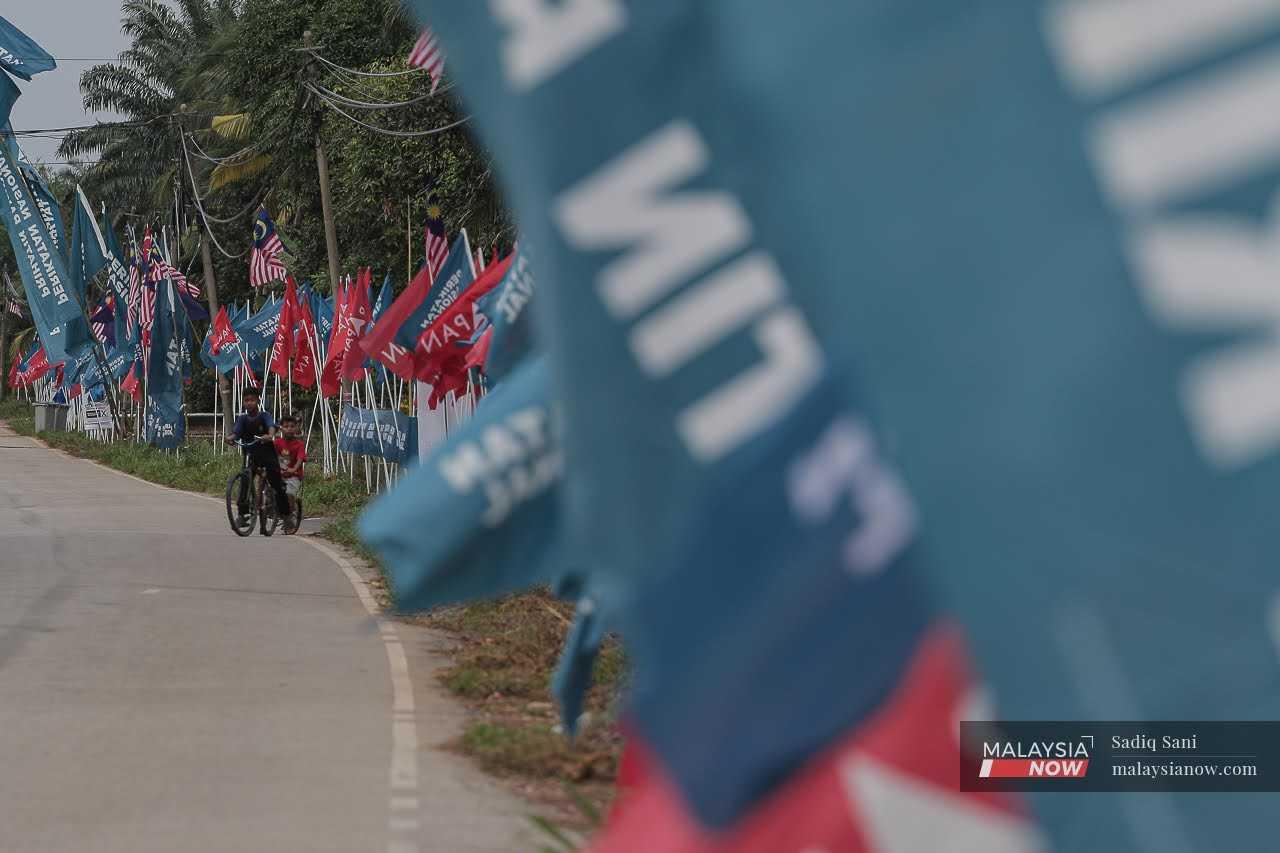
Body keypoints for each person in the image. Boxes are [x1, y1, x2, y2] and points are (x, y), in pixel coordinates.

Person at [227, 390, 290, 518]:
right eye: (246, 400)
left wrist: (270, 435)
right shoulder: (242, 419)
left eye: (252, 400)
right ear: (243, 402)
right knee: (245, 479)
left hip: (267, 455)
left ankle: (285, 513)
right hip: (250, 455)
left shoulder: (264, 415)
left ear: (257, 401)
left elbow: (271, 426)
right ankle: (243, 514)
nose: (249, 403)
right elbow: (236, 432)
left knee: (276, 482)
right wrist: (231, 437)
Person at [274, 414, 306, 532]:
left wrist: (294, 469)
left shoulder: (299, 445)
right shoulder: (277, 443)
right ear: (281, 428)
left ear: (296, 428)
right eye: (286, 426)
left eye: (292, 426)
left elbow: (300, 458)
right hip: (279, 474)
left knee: (289, 494)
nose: (289, 428)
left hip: (294, 476)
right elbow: (273, 456)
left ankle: (290, 515)